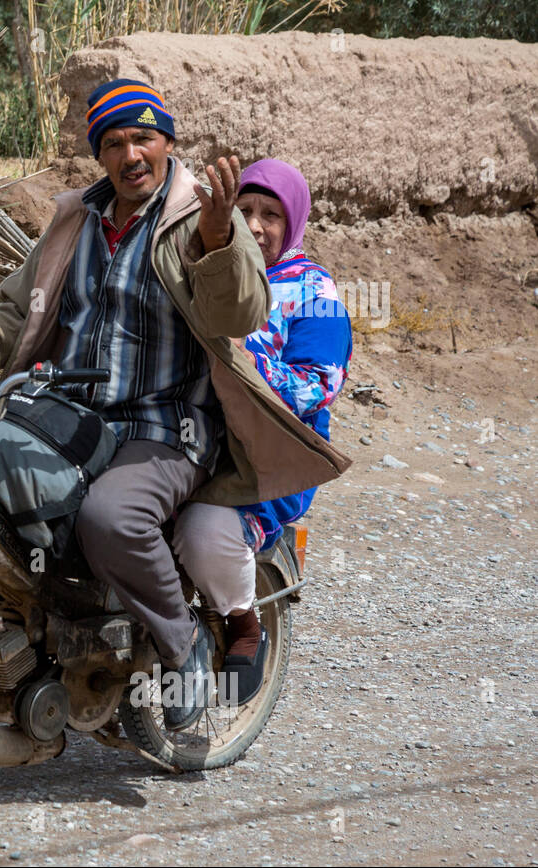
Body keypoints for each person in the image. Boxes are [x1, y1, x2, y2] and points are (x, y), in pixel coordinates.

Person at [0, 79, 351, 731]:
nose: (131, 153)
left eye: (144, 137)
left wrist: (220, 242)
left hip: (168, 426)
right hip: (70, 413)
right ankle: (6, 626)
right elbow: (12, 310)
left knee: (109, 518)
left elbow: (241, 312)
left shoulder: (202, 215)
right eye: (114, 142)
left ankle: (182, 645)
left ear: (167, 142)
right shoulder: (75, 221)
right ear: (100, 156)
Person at [171, 158, 352, 705]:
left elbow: (315, 385)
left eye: (271, 214)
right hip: (188, 435)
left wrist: (241, 356)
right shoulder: (206, 269)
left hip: (268, 459)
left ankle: (242, 624)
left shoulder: (316, 293)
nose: (253, 225)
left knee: (202, 531)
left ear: (293, 222)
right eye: (243, 210)